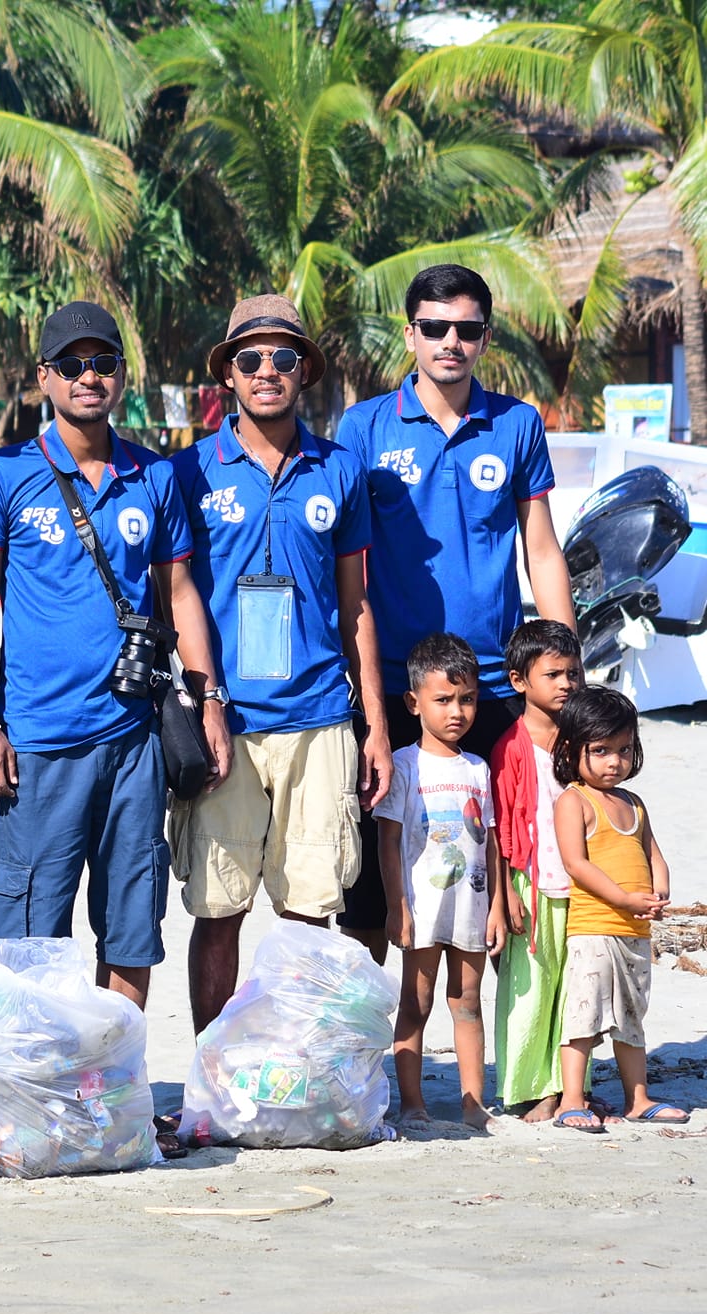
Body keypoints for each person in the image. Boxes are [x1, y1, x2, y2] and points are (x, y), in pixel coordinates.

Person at [0, 301, 231, 1011]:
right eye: (73, 365)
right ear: (45, 377)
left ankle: (110, 1095)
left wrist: (210, 702)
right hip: (39, 745)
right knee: (27, 940)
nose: (90, 377)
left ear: (121, 375)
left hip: (134, 743)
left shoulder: (155, 477)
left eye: (103, 363)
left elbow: (180, 597)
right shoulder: (2, 476)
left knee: (131, 931)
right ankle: (30, 1100)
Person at [337, 264, 576, 962]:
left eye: (466, 329)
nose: (450, 342)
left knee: (505, 867)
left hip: (495, 686)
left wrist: (569, 675)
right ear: (409, 334)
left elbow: (542, 549)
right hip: (386, 687)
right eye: (435, 328)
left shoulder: (517, 425)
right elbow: (344, 569)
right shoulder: (363, 428)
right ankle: (367, 1062)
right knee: (369, 892)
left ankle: (517, 1063)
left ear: (485, 338)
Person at [167, 296, 392, 1032]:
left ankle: (298, 1070)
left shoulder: (341, 470)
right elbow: (172, 599)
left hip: (320, 716)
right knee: (218, 909)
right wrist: (197, 702)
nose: (268, 371)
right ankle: (211, 1075)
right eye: (251, 358)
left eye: (284, 357)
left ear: (306, 373)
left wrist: (377, 727)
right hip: (224, 721)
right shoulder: (188, 472)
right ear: (227, 374)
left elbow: (357, 607)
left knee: (307, 910)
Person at [377, 633, 504, 1130]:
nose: (458, 711)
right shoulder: (405, 766)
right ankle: (413, 1104)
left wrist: (496, 904)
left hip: (471, 908)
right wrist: (396, 907)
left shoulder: (478, 767)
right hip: (423, 910)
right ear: (414, 702)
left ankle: (474, 1103)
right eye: (444, 700)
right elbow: (388, 843)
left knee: (468, 1003)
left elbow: (489, 839)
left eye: (467, 699)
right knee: (417, 1003)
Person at [551, 686, 689, 1132]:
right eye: (602, 750)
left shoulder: (634, 804)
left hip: (634, 933)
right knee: (583, 1018)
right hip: (593, 929)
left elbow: (653, 855)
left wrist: (659, 891)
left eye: (624, 750)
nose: (615, 761)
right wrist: (625, 898)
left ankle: (637, 1097)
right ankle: (572, 1099)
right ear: (573, 750)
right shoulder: (574, 800)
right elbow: (576, 863)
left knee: (632, 1020)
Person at [489, 619, 584, 1122]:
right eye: (553, 674)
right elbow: (500, 831)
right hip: (531, 884)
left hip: (582, 888)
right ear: (519, 681)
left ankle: (569, 1090)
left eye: (572, 673)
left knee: (576, 991)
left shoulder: (581, 743)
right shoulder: (510, 748)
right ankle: (529, 1089)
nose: (566, 683)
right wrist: (505, 897)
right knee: (528, 991)